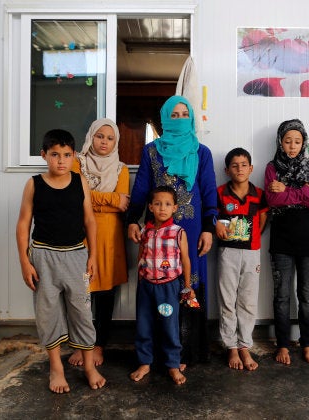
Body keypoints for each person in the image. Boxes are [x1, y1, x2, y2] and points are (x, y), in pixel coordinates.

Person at [127, 95, 218, 369]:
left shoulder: (201, 152)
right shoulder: (151, 151)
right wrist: (133, 219)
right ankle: (154, 354)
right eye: (174, 115)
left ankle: (186, 353)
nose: (179, 119)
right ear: (165, 119)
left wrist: (208, 229)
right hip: (157, 231)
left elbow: (208, 190)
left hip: (190, 231)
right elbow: (142, 187)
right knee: (158, 285)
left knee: (187, 285)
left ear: (190, 117)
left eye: (183, 114)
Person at [16, 129, 106, 393]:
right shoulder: (34, 184)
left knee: (82, 312)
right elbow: (23, 224)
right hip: (43, 257)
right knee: (48, 313)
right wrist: (24, 261)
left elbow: (90, 220)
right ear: (44, 155)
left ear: (74, 156)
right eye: (54, 154)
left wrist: (94, 256)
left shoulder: (80, 182)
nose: (61, 160)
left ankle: (89, 366)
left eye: (67, 155)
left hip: (77, 255)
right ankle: (56, 368)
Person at [68, 118, 129, 367]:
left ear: (116, 142)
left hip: (110, 238)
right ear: (91, 137)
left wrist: (92, 199)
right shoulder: (76, 162)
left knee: (105, 295)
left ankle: (98, 346)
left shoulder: (120, 169)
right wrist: (110, 200)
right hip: (80, 234)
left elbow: (123, 203)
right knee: (79, 293)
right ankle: (80, 345)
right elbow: (74, 197)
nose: (104, 142)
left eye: (110, 138)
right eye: (99, 136)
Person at [264, 119, 309, 365]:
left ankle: (307, 343)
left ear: (304, 143)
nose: (292, 146)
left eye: (297, 141)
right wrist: (304, 192)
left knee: (307, 296)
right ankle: (282, 345)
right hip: (281, 238)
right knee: (282, 296)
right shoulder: (272, 167)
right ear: (280, 141)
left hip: (308, 239)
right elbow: (272, 200)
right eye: (288, 141)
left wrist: (288, 191)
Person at [130, 186, 192, 385]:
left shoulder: (178, 232)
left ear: (174, 208)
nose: (162, 208)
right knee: (144, 325)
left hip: (168, 287)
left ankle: (173, 364)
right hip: (147, 286)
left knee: (169, 326)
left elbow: (185, 260)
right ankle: (144, 362)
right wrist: (140, 278)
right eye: (157, 204)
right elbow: (141, 254)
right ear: (150, 207)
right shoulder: (145, 230)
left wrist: (187, 286)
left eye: (167, 204)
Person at [216, 148, 268, 370]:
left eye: (244, 164)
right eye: (235, 165)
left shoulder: (259, 193)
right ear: (227, 170)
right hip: (227, 253)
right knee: (227, 301)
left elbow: (263, 219)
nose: (240, 169)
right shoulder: (219, 193)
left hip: (251, 252)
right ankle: (231, 347)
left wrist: (253, 237)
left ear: (251, 168)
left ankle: (245, 346)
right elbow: (213, 218)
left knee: (247, 301)